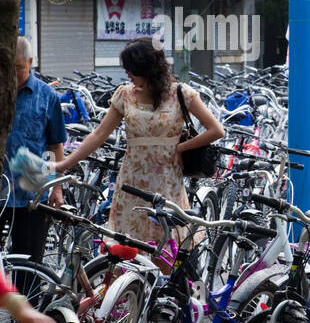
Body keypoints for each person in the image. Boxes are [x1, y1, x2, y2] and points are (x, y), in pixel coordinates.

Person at [55, 40, 224, 260]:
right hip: (131, 182)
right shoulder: (125, 94)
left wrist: (180, 148)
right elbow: (98, 134)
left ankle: (165, 293)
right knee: (127, 252)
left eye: (131, 69)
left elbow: (216, 130)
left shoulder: (182, 93)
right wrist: (66, 164)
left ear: (148, 69)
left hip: (166, 182)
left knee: (163, 252)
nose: (127, 74)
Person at [2, 38, 67, 282]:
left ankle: (25, 317)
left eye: (18, 68)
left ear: (30, 62)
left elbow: (55, 146)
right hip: (1, 188)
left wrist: (56, 186)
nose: (13, 75)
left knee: (28, 260)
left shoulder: (47, 96)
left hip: (32, 193)